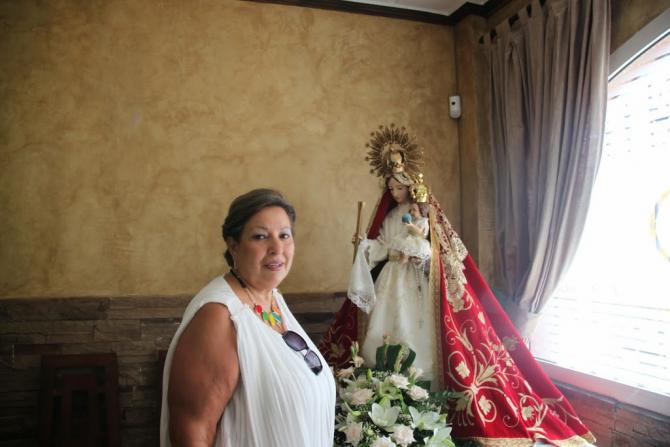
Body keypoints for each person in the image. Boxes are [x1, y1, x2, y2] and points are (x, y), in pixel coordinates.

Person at [320, 124, 596, 446]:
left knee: (416, 332)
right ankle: (389, 397)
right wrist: (365, 246)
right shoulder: (391, 218)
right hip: (390, 280)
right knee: (384, 332)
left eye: (399, 187)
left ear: (410, 186)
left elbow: (432, 252)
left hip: (416, 285)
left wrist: (415, 250)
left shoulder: (422, 215)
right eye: (391, 188)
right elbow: (381, 245)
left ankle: (426, 404)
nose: (395, 193)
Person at [160, 189, 335, 447]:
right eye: (260, 236)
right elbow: (193, 428)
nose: (277, 248)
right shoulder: (220, 315)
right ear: (233, 245)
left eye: (284, 235)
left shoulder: (271, 298)